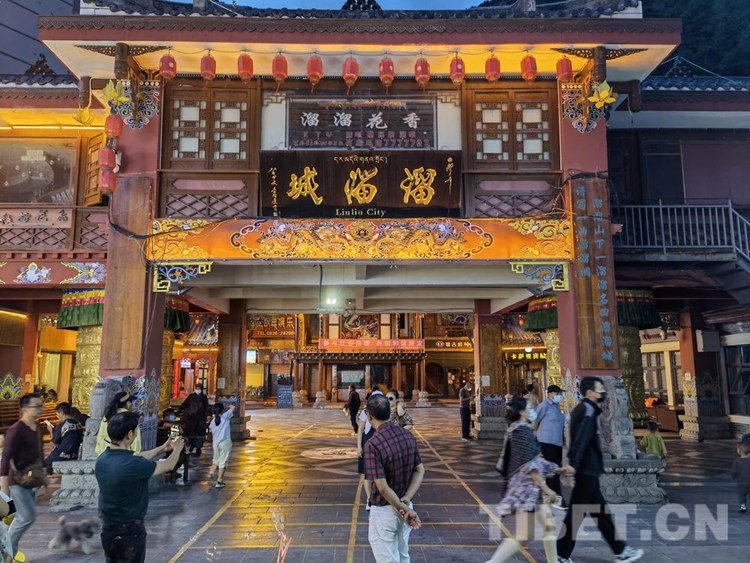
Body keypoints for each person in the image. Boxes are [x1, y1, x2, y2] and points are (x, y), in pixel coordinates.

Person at [557, 377, 644, 563]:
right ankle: (560, 555)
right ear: (590, 393)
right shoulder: (588, 410)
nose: (602, 392)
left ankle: (621, 551)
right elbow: (581, 439)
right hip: (586, 470)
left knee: (601, 515)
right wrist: (573, 462)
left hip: (589, 471)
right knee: (576, 515)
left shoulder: (584, 409)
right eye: (599, 389)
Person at [488, 397, 572, 563]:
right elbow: (530, 465)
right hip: (526, 490)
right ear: (522, 412)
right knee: (524, 535)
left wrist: (556, 469)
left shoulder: (522, 429)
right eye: (530, 408)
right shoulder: (520, 431)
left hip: (531, 490)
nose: (533, 411)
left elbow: (535, 460)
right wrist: (546, 488)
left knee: (548, 526)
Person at [96, 411, 185, 562]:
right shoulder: (133, 465)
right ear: (130, 434)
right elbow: (168, 465)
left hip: (108, 527)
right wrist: (177, 449)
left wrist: (162, 448)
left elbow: (137, 457)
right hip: (129, 531)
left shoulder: (103, 459)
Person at [363, 393, 424, 563]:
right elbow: (420, 470)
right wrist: (406, 500)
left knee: (388, 559)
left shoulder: (373, 444)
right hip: (405, 504)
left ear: (369, 416)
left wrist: (402, 508)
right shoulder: (407, 435)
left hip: (385, 511)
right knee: (403, 555)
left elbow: (382, 487)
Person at [0, 393, 46, 558]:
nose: (40, 409)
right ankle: (6, 551)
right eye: (36, 406)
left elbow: (39, 453)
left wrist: (43, 473)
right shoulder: (16, 430)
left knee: (23, 517)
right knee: (26, 517)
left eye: (41, 405)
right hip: (18, 480)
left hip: (32, 478)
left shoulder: (38, 427)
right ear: (25, 409)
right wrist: (4, 484)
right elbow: (6, 457)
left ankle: (9, 552)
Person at [534, 385, 565, 503]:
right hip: (547, 441)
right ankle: (555, 495)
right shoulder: (544, 406)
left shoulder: (557, 407)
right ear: (549, 394)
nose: (559, 396)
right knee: (553, 468)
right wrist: (535, 433)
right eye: (557, 394)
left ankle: (551, 495)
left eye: (560, 394)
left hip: (557, 442)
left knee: (555, 468)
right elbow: (535, 419)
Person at [357, 389, 383, 511]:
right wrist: (359, 446)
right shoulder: (365, 412)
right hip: (367, 441)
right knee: (367, 473)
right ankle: (369, 499)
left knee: (381, 472)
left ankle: (381, 497)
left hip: (381, 441)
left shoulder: (384, 411)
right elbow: (360, 429)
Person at [44, 402, 84, 474]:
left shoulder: (61, 425)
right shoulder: (78, 423)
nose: (57, 416)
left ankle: (40, 479)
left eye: (57, 414)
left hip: (62, 455)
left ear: (62, 413)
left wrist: (50, 431)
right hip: (75, 455)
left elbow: (54, 444)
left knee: (43, 465)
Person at [207, 403, 235, 489]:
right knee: (223, 462)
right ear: (222, 410)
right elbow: (233, 407)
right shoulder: (225, 417)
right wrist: (228, 406)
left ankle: (211, 472)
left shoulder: (212, 422)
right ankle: (219, 481)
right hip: (225, 443)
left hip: (215, 444)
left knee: (216, 460)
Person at [178, 384, 209, 456]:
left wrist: (208, 414)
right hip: (191, 418)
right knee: (190, 433)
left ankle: (198, 448)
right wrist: (179, 411)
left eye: (199, 388)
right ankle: (190, 446)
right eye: (197, 388)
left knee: (199, 434)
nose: (198, 389)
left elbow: (207, 407)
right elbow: (185, 404)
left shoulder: (204, 397)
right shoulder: (191, 396)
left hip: (200, 419)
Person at [732, 442, 750, 513]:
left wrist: (733, 476)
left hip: (742, 481)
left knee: (742, 494)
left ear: (739, 451)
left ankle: (743, 506)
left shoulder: (736, 461)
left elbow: (734, 472)